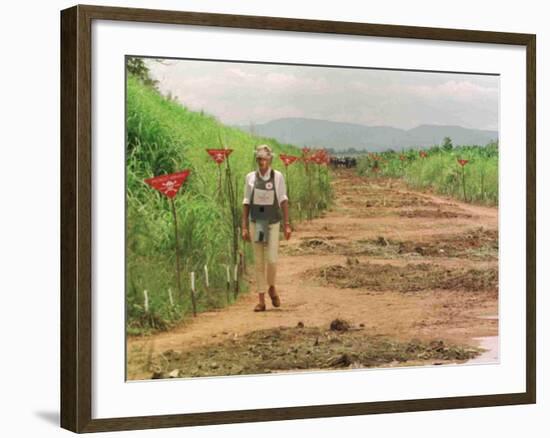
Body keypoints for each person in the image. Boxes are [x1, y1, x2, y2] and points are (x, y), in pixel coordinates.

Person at [241, 145, 292, 312]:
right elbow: (246, 202)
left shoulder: (277, 177)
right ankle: (261, 300)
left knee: (272, 260)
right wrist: (244, 227)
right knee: (259, 261)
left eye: (264, 158)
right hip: (257, 222)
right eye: (259, 159)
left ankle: (271, 286)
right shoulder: (250, 178)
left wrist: (287, 224)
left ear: (270, 159)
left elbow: (283, 200)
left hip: (273, 222)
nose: (261, 162)